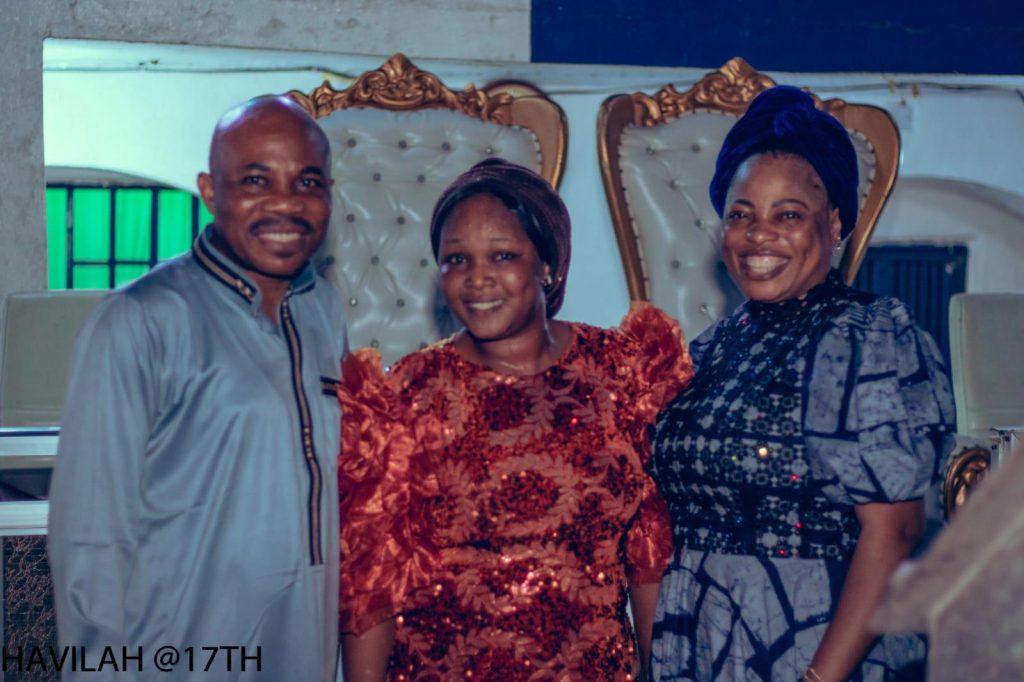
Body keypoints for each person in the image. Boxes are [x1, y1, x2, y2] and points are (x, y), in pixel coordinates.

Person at [337, 158, 694, 680]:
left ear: (548, 265)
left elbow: (649, 549)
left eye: (502, 255)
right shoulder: (405, 398)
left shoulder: (623, 372)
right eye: (456, 259)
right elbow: (373, 584)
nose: (477, 278)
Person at [648, 86, 956, 681]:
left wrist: (817, 679)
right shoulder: (711, 349)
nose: (758, 235)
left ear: (834, 223)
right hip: (700, 640)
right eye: (741, 215)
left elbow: (895, 532)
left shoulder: (868, 336)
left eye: (787, 214)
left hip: (815, 645)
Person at [47, 95, 346, 681]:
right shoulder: (138, 320)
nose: (286, 203)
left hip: (303, 653)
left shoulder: (323, 311)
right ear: (210, 192)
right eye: (256, 180)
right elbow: (90, 538)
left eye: (307, 182)